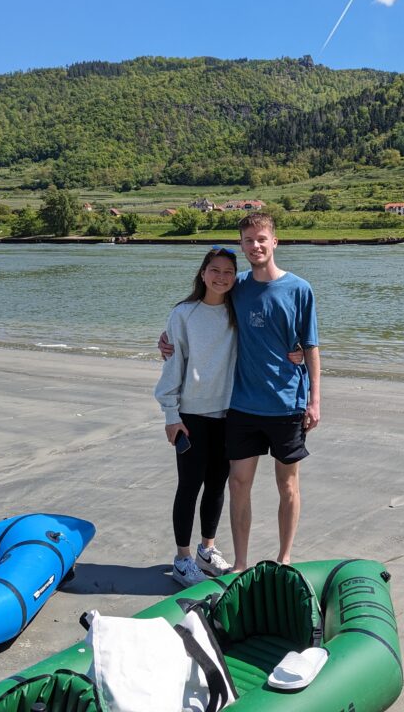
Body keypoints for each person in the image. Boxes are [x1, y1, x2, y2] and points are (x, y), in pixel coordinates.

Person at [161, 213, 321, 573]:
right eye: (249, 241)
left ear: (275, 241)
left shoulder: (299, 289)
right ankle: (239, 562)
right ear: (242, 245)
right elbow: (200, 314)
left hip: (287, 405)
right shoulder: (237, 287)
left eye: (262, 239)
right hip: (241, 409)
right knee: (236, 484)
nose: (256, 246)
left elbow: (310, 347)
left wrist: (314, 400)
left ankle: (284, 558)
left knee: (287, 486)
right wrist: (167, 341)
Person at [154, 247, 240, 587]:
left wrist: (297, 350)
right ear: (202, 273)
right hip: (191, 414)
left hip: (230, 414)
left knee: (218, 485)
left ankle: (207, 550)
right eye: (214, 270)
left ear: (236, 278)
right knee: (189, 486)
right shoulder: (184, 314)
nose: (221, 277)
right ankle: (182, 558)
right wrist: (171, 414)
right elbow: (173, 363)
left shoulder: (239, 312)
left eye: (229, 272)